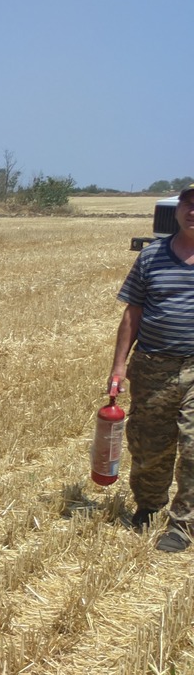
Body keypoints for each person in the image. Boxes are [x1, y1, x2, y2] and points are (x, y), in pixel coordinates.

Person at [110, 184, 194, 553]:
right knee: (149, 443)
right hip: (153, 365)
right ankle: (149, 505)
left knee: (193, 447)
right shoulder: (151, 257)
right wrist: (118, 367)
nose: (193, 211)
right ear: (177, 210)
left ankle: (182, 523)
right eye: (189, 204)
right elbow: (133, 313)